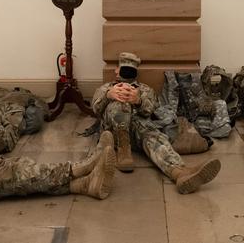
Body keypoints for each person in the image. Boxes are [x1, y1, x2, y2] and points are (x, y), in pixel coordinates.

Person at [92, 52, 221, 193]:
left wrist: (138, 100)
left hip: (138, 131)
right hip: (114, 133)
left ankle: (180, 173)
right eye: (123, 68)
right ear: (116, 71)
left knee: (153, 135)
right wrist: (109, 95)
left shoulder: (144, 89)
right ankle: (124, 152)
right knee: (120, 105)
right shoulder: (106, 87)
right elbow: (96, 109)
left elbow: (151, 109)